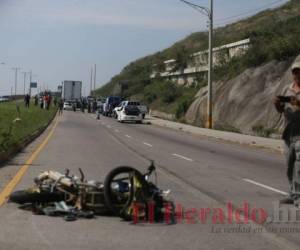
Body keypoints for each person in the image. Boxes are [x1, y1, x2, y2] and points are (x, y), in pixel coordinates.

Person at [273, 61, 300, 204]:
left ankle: (298, 196)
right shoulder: (286, 89)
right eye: (295, 72)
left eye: (299, 71)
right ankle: (292, 193)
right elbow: (280, 110)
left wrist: (298, 103)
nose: (297, 74)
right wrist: (277, 104)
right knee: (289, 166)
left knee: (299, 166)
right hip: (288, 133)